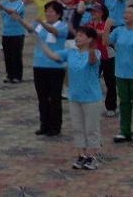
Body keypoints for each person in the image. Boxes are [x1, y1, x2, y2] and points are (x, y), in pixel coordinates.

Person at [37, 25, 102, 169]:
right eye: (77, 35)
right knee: (78, 128)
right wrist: (40, 42)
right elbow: (53, 56)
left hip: (91, 98)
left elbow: (92, 61)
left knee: (91, 128)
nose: (77, 38)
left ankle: (92, 156)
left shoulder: (96, 53)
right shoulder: (70, 53)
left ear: (90, 39)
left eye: (81, 35)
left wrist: (91, 49)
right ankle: (81, 155)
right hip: (74, 96)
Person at [6, 0, 69, 137]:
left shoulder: (63, 26)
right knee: (42, 98)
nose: (48, 13)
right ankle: (44, 125)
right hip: (39, 65)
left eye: (51, 11)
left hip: (55, 67)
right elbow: (30, 28)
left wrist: (42, 22)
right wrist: (19, 19)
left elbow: (54, 32)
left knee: (54, 98)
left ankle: (55, 126)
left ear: (58, 14)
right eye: (46, 11)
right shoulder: (40, 25)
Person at [104, 5, 133, 143]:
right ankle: (124, 131)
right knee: (124, 103)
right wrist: (107, 27)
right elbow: (106, 42)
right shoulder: (119, 31)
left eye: (130, 13)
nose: (126, 15)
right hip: (121, 73)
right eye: (126, 12)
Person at [0, 0, 26, 83]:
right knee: (7, 55)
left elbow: (14, 12)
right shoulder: (4, 2)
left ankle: (17, 76)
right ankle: (9, 75)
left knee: (16, 55)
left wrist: (3, 7)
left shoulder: (20, 3)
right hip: (6, 33)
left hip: (17, 33)